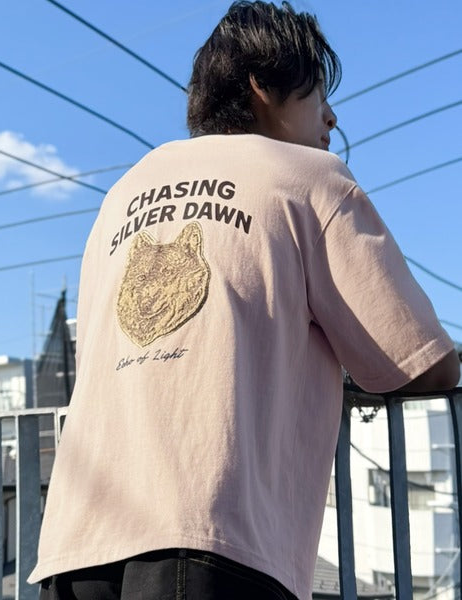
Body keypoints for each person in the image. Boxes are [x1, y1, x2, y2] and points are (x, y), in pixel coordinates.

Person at [29, 2, 460, 599]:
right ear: (262, 86)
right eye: (318, 94)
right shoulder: (310, 176)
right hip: (210, 535)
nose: (331, 117)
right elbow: (421, 363)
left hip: (76, 542)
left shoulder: (124, 192)